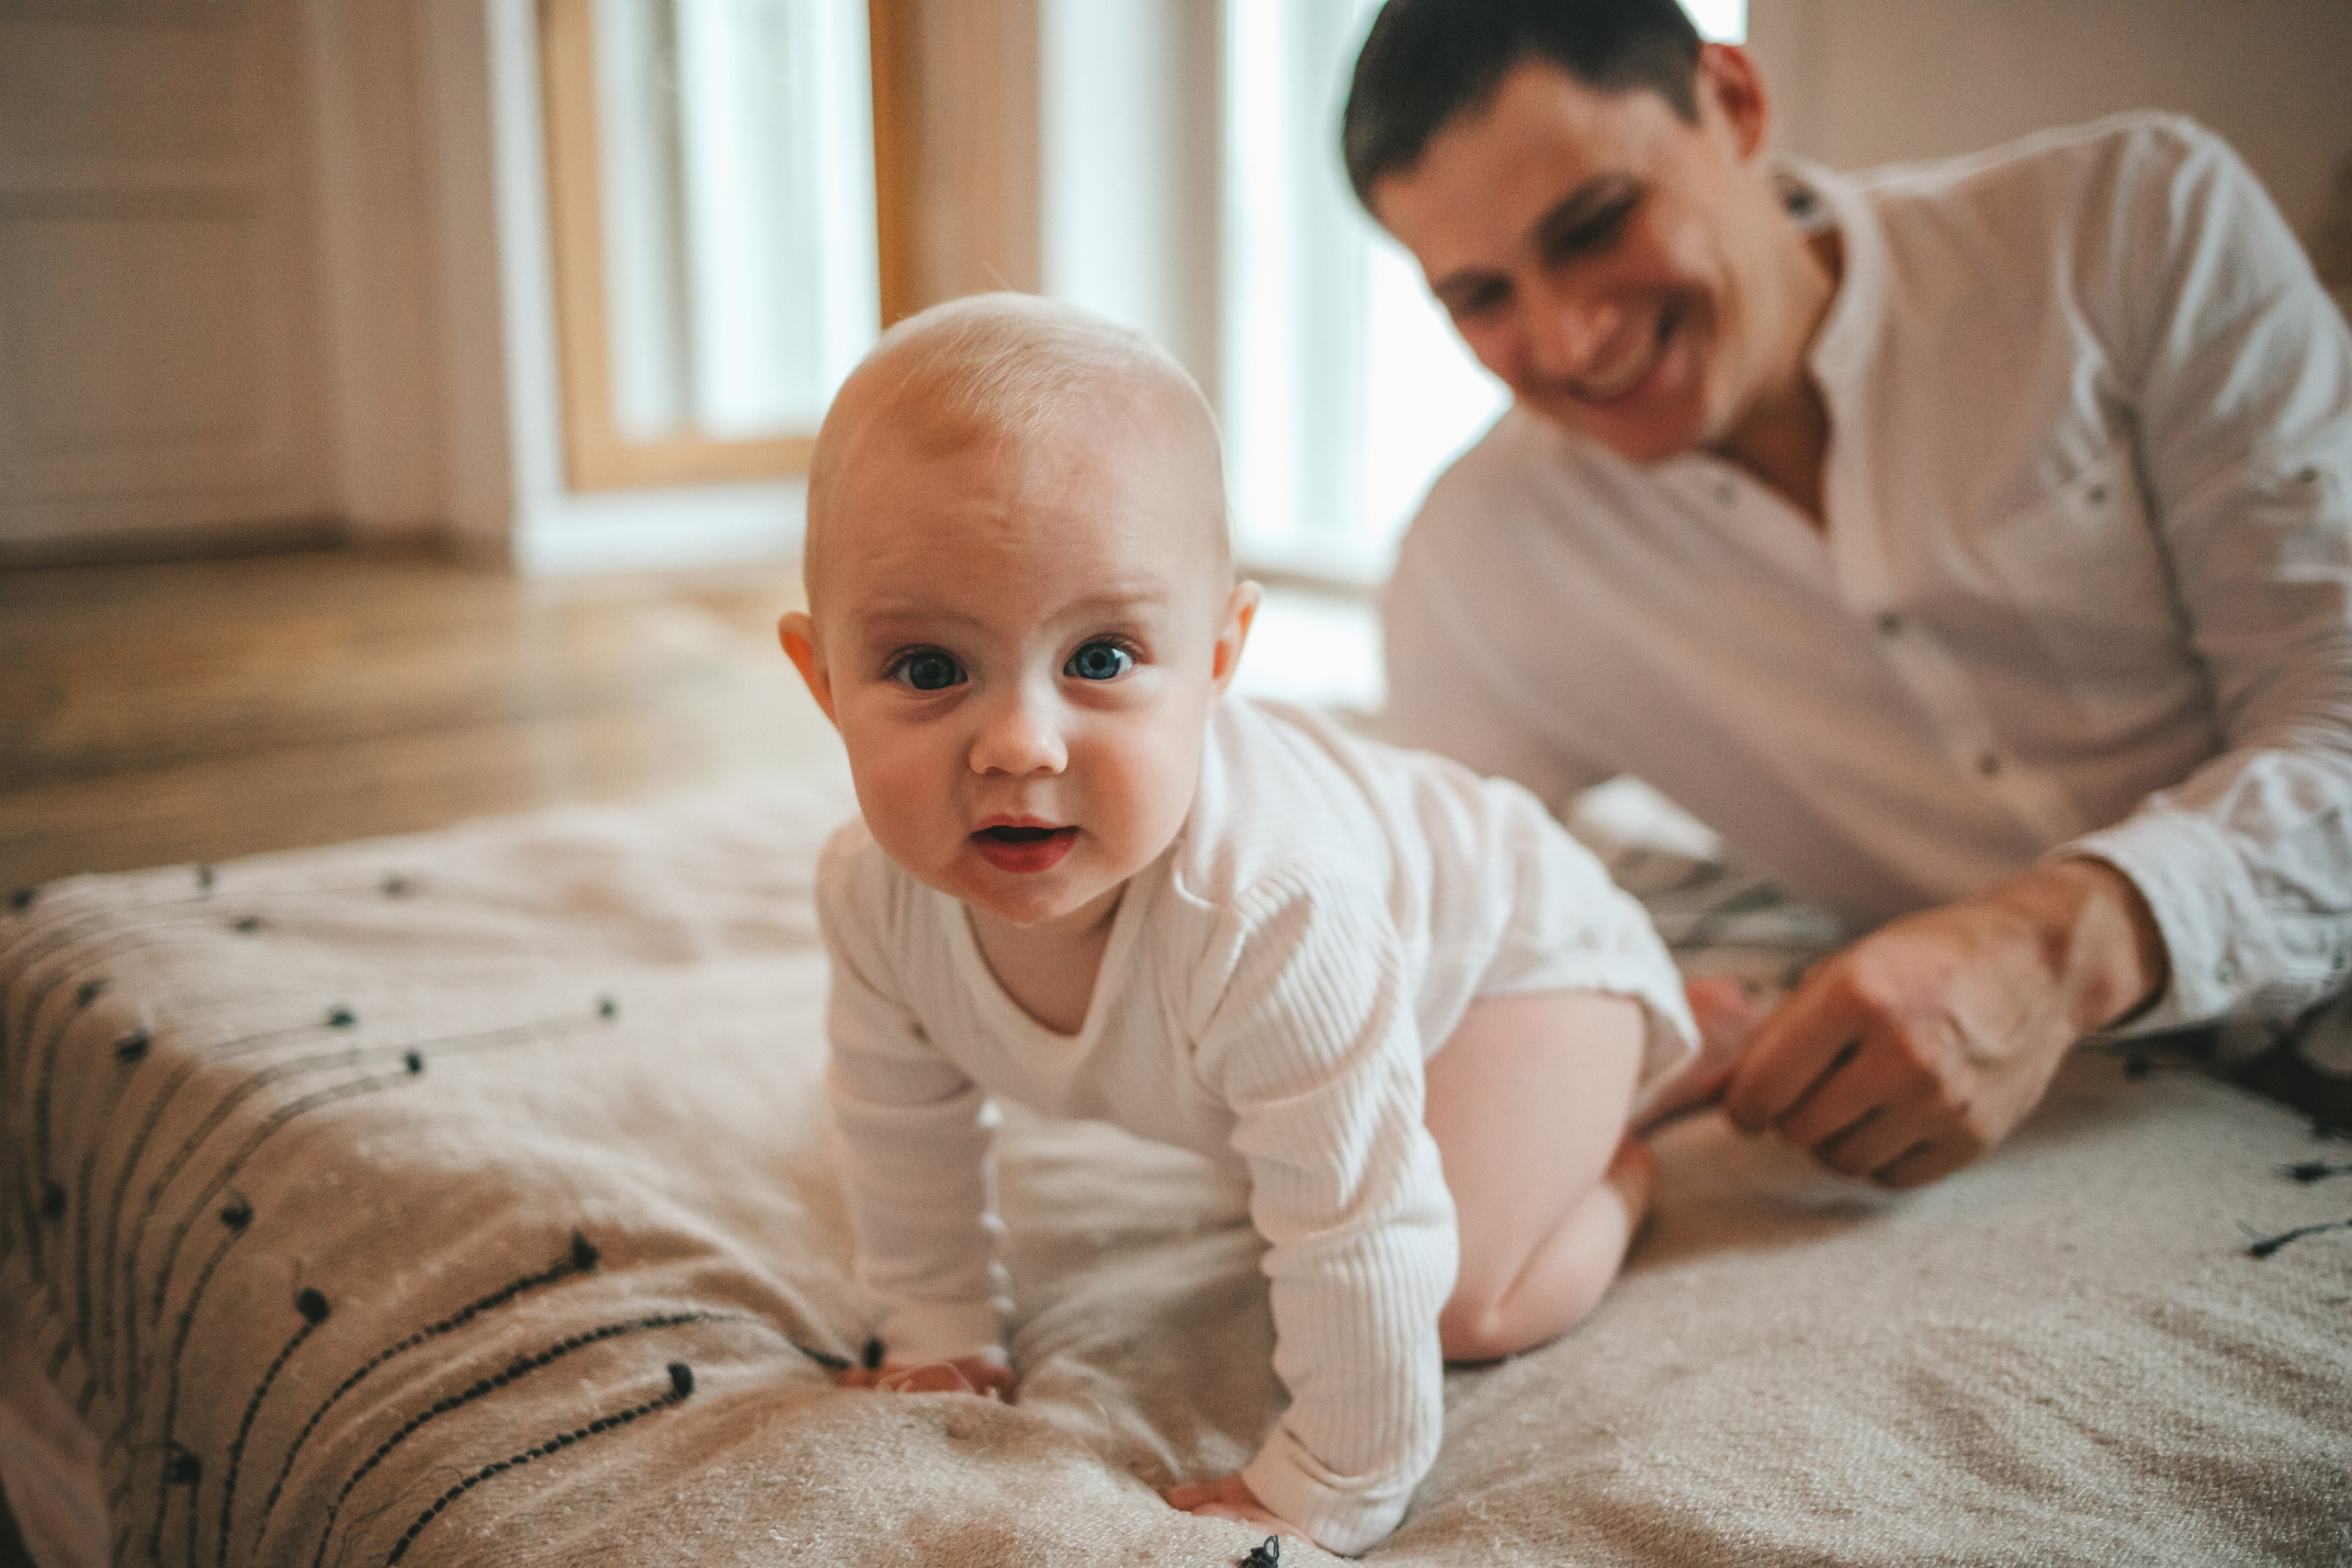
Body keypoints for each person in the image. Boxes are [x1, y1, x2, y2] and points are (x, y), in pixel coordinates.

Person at [1348, 0, 2352, 1187]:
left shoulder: (2133, 227)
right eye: (1481, 298)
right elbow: (1434, 922)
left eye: (1597, 224)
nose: (1566, 339)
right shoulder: (1476, 562)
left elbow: (2333, 711)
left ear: (1734, 102)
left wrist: (2055, 945)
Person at [778, 293, 1701, 1552]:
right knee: (1307, 1136)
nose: (1020, 745)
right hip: (1356, 1018)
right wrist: (937, 1330)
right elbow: (900, 1125)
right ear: (823, 682)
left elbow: (1357, 1224)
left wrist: (1334, 1479)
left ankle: (1630, 1136)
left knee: (1464, 1300)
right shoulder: (871, 896)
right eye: (931, 669)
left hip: (1513, 966)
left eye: (1101, 659)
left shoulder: (1271, 909)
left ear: (1219, 660)